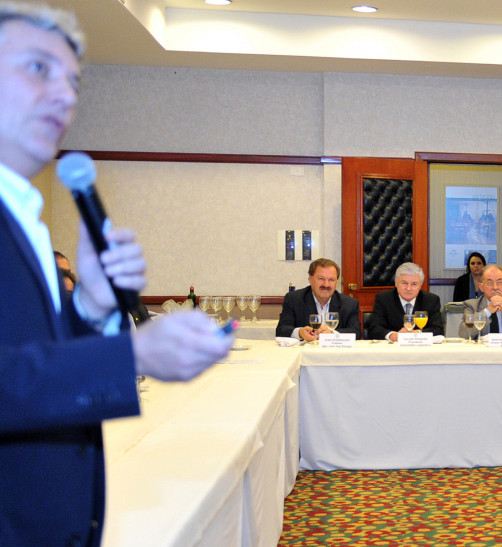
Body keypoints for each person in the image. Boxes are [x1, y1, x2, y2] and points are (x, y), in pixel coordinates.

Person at [0, 4, 232, 544]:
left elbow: (29, 358)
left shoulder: (22, 214)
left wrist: (92, 309)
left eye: (72, 80)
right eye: (38, 69)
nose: (64, 95)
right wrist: (132, 354)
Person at [276, 257, 361, 341]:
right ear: (310, 278)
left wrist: (332, 334)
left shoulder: (349, 304)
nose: (326, 284)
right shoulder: (294, 299)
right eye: (321, 279)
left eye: (331, 280)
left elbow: (356, 332)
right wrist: (300, 333)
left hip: (335, 352)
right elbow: (281, 330)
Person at [366, 262, 444, 340]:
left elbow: (438, 330)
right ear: (396, 283)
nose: (408, 288)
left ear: (421, 285)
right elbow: (374, 329)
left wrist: (417, 333)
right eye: (404, 283)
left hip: (420, 349)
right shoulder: (383, 299)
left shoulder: (431, 300)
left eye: (414, 284)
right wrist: (393, 335)